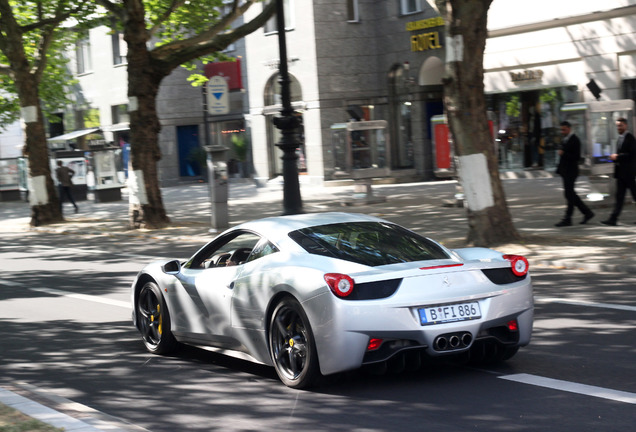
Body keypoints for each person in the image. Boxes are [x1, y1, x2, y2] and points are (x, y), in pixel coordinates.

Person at [554, 121, 594, 227]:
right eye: (561, 130)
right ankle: (587, 212)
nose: (562, 132)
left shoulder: (575, 140)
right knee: (569, 194)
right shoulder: (564, 139)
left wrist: (564, 153)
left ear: (569, 129)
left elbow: (576, 157)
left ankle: (568, 218)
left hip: (571, 171)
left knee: (569, 194)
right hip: (565, 171)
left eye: (564, 130)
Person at [601, 117, 636, 226]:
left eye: (620, 125)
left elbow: (632, 155)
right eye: (617, 126)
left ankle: (613, 219)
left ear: (626, 126)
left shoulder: (630, 138)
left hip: (629, 173)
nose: (618, 128)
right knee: (619, 197)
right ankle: (613, 219)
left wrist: (618, 156)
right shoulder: (620, 138)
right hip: (621, 173)